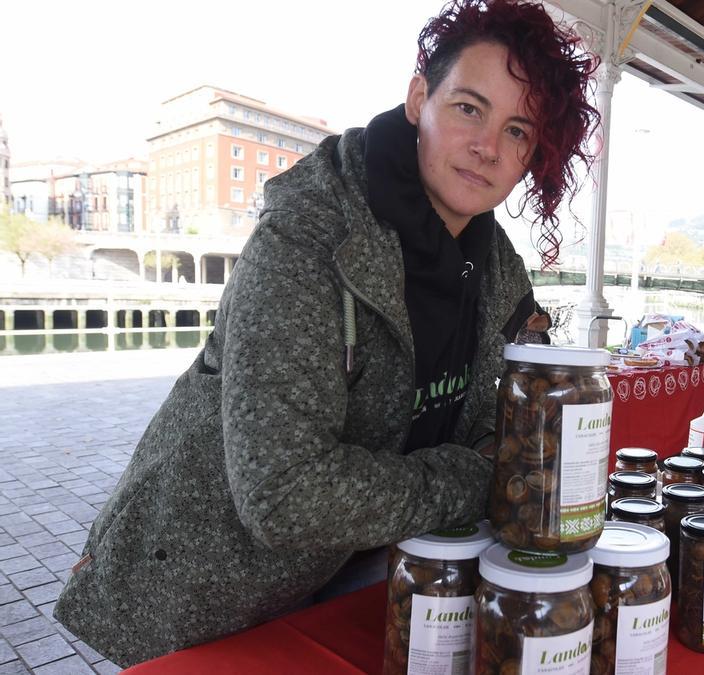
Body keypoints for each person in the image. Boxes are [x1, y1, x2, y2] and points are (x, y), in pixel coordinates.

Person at [53, 1, 600, 667]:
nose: (488, 146)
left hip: (349, 576)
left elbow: (510, 414)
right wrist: (473, 476)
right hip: (203, 584)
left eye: (516, 130)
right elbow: (284, 493)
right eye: (468, 108)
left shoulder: (496, 267)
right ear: (419, 99)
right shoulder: (309, 238)